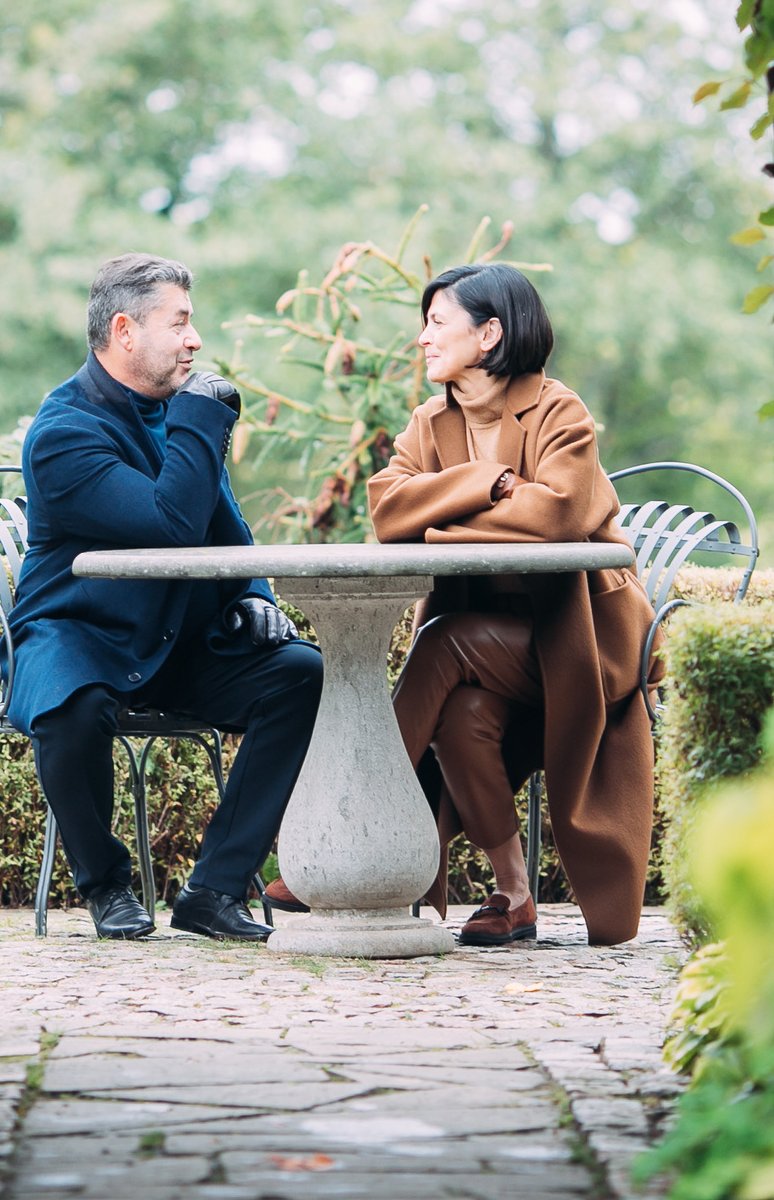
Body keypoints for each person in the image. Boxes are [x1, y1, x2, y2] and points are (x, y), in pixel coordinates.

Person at [270, 262, 652, 947]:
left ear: (490, 334)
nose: (421, 338)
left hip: (584, 646)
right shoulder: (433, 418)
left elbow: (558, 515)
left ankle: (347, 823)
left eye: (437, 322)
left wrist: (445, 513)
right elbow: (389, 507)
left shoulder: (559, 410)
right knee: (464, 713)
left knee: (444, 639)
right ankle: (515, 892)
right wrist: (493, 482)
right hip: (501, 643)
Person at [5, 253, 324, 942]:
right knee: (73, 705)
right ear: (125, 330)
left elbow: (224, 528)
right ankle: (106, 885)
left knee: (298, 673)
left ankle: (213, 889)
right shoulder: (62, 432)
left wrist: (253, 591)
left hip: (168, 637)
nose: (195, 339)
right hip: (76, 626)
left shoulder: (175, 414)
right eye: (180, 322)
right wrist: (205, 420)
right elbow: (169, 524)